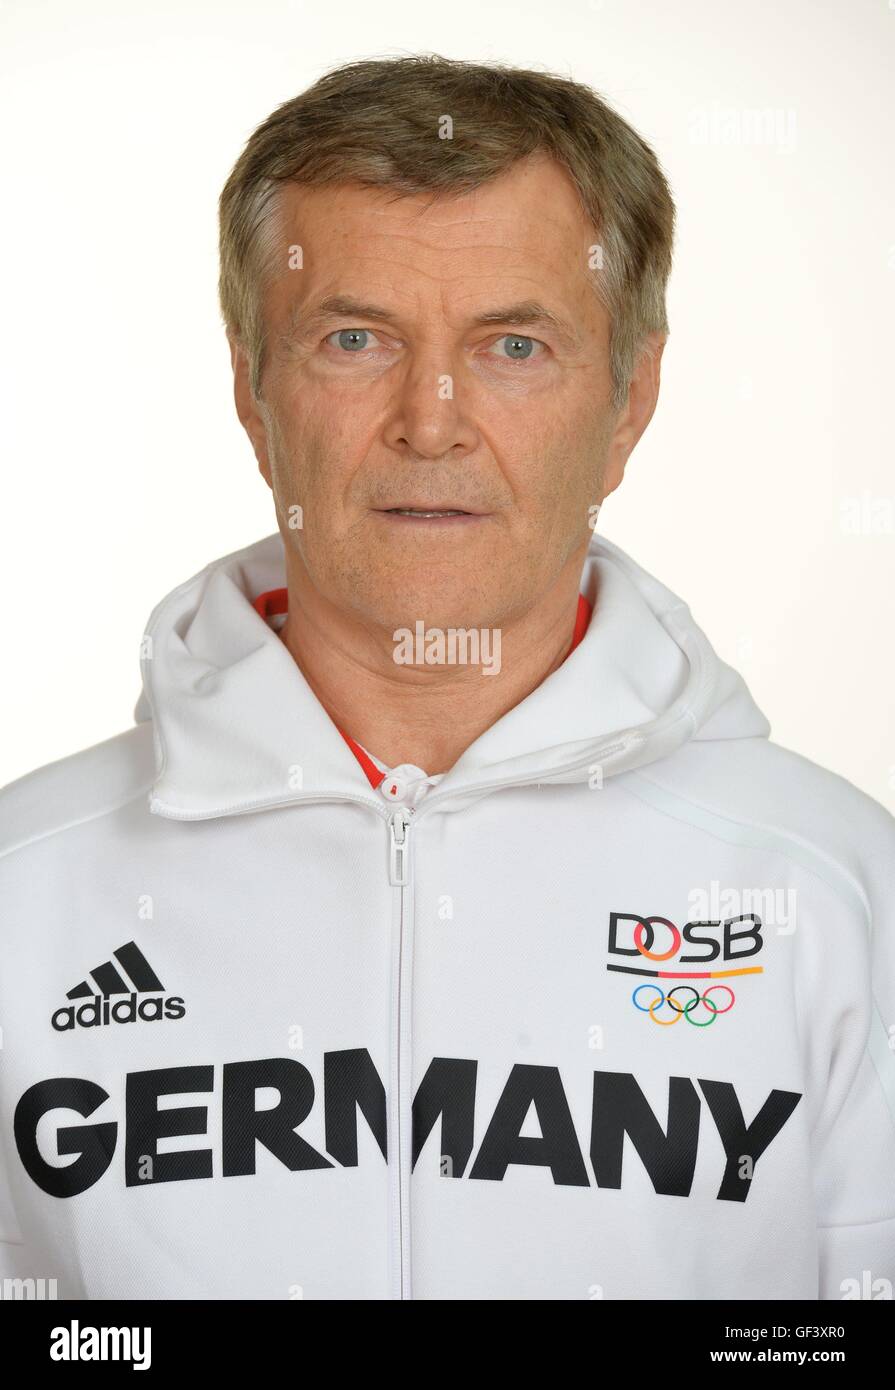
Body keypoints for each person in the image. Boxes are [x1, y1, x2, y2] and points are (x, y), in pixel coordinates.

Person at [1, 54, 892, 1302]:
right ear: (253, 390)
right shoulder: (24, 893)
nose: (431, 421)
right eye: (354, 338)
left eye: (514, 345)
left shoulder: (842, 891)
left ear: (630, 396)